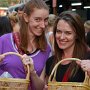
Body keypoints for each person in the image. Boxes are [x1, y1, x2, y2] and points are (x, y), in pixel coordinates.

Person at [0, 0, 51, 90]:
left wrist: (32, 73)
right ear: (26, 17)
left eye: (46, 20)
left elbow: (39, 87)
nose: (43, 25)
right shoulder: (4, 40)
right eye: (37, 19)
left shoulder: (45, 48)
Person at [46, 11, 90, 84]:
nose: (62, 37)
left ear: (77, 35)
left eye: (68, 33)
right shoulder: (51, 62)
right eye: (59, 31)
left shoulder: (87, 58)